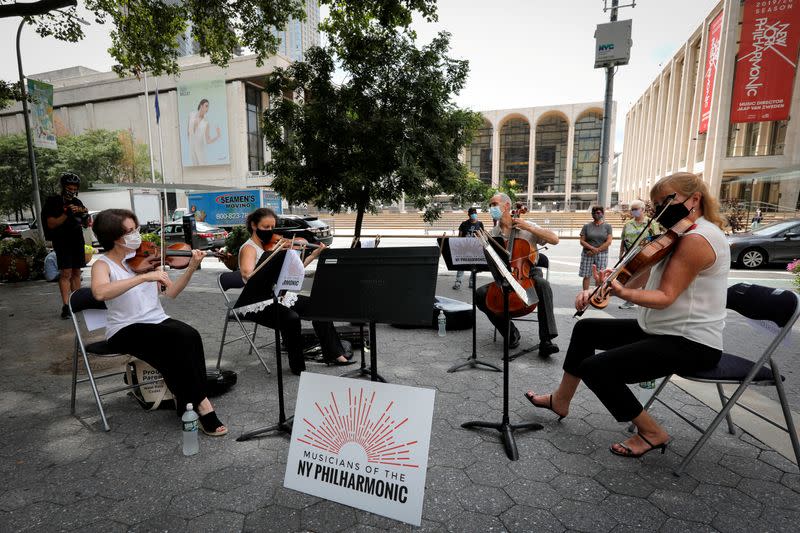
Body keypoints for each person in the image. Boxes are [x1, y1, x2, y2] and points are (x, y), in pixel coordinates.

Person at [524, 172, 729, 458]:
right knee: (586, 330)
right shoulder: (677, 235)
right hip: (662, 329)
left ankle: (652, 431)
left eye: (667, 203)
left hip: (691, 342)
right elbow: (640, 280)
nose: (659, 212)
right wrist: (604, 288)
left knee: (597, 368)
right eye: (656, 205)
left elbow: (664, 297)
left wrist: (622, 293)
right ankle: (561, 400)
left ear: (695, 199)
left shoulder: (699, 239)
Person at [90, 209, 227, 436]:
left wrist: (191, 267)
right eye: (130, 231)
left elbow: (171, 293)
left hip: (156, 320)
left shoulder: (145, 259)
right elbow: (100, 293)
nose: (138, 235)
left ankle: (188, 404)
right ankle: (202, 406)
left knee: (190, 335)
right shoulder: (103, 265)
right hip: (124, 329)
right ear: (114, 237)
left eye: (137, 228)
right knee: (175, 342)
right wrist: (142, 277)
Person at [238, 208, 354, 373]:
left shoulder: (273, 246)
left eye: (273, 227)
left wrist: (313, 255)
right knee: (291, 318)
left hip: (278, 296)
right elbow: (247, 275)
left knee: (318, 306)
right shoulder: (249, 248)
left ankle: (335, 353)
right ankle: (298, 367)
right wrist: (270, 258)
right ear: (253, 225)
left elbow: (291, 274)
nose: (271, 232)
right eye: (265, 227)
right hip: (256, 302)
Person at [475, 193, 560, 357]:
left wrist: (528, 227)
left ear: (506, 206)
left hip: (529, 273)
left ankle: (546, 340)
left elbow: (554, 239)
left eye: (494, 204)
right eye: (490, 205)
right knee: (480, 295)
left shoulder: (527, 225)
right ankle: (510, 332)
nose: (491, 208)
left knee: (543, 285)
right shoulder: (493, 234)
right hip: (504, 274)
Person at [43, 172, 90, 318]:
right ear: (63, 187)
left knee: (77, 272)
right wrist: (66, 213)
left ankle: (77, 302)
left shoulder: (77, 202)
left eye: (74, 187)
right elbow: (51, 224)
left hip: (77, 240)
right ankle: (66, 306)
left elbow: (86, 224)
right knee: (66, 273)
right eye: (69, 187)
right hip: (62, 242)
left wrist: (83, 212)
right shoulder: (53, 201)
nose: (72, 189)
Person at [617, 200, 658, 309]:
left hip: (646, 255)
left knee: (645, 278)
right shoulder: (628, 224)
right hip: (630, 255)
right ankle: (629, 300)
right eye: (632, 209)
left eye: (636, 209)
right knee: (630, 278)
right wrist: (621, 254)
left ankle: (644, 301)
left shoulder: (651, 223)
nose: (634, 211)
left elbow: (657, 239)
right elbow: (623, 240)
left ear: (643, 210)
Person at [579, 206, 613, 291]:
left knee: (600, 275)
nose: (596, 214)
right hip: (588, 254)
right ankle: (585, 293)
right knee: (586, 275)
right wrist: (592, 248)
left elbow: (609, 241)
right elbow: (582, 241)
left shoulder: (608, 226)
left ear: (602, 213)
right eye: (594, 213)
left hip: (602, 254)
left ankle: (597, 294)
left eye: (598, 213)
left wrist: (596, 250)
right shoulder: (586, 226)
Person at [453, 207, 484, 290]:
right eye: (471, 213)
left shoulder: (480, 224)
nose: (473, 215)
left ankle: (471, 282)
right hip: (464, 248)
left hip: (475, 248)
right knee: (461, 265)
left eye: (474, 213)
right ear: (468, 214)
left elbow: (482, 236)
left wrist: (479, 236)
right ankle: (458, 282)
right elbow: (459, 236)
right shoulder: (464, 224)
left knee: (473, 266)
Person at [188, 99, 222, 165]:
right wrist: (191, 145)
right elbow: (188, 132)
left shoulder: (206, 123)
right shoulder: (191, 115)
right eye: (206, 106)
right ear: (201, 105)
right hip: (192, 150)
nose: (207, 108)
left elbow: (208, 141)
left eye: (208, 107)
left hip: (201, 151)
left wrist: (218, 136)